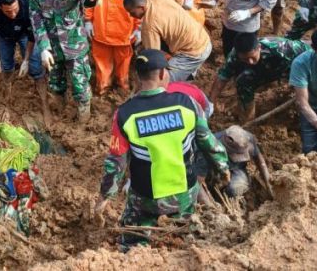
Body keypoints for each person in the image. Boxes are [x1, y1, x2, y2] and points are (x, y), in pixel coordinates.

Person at [94, 49, 229, 252]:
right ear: (161, 74)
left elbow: (117, 161)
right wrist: (222, 167)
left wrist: (105, 197)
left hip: (146, 197)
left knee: (131, 237)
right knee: (184, 234)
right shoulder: (187, 104)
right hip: (184, 193)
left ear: (139, 78)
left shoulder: (124, 114)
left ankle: (133, 249)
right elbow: (208, 142)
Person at [30, 0, 103, 121]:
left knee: (80, 86)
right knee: (56, 85)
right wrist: (44, 49)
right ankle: (60, 116)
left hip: (75, 48)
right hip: (54, 51)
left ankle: (83, 122)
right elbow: (37, 23)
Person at [212, 31, 310, 121]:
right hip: (264, 70)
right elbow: (222, 77)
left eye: (252, 57)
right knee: (243, 82)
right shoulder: (234, 55)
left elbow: (308, 51)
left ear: (259, 47)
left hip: (289, 68)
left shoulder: (280, 47)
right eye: (245, 59)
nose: (250, 62)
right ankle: (248, 120)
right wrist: (211, 102)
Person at [123, 0, 213, 81]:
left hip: (194, 53)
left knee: (161, 81)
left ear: (141, 8)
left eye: (132, 12)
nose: (131, 15)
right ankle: (184, 74)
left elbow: (154, 58)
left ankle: (182, 77)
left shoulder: (149, 26)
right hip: (202, 37)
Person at [0, 0, 43, 80]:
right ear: (0, 7)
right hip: (4, 35)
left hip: (24, 34)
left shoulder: (29, 7)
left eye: (15, 9)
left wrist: (26, 61)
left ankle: (38, 79)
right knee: (6, 64)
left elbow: (32, 37)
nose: (13, 14)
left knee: (34, 61)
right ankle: (8, 81)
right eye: (8, 11)